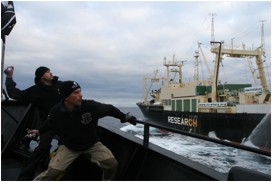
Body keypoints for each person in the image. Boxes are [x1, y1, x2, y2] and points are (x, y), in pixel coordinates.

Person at [32, 80, 137, 180]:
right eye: (76, 93)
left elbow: (110, 109)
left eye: (80, 91)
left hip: (91, 144)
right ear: (66, 97)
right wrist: (39, 131)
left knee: (111, 164)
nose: (81, 95)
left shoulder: (90, 106)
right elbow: (49, 124)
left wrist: (124, 117)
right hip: (69, 146)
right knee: (53, 172)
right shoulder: (56, 111)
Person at [5, 66, 63, 180]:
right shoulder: (35, 91)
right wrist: (9, 78)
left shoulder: (60, 85)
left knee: (69, 143)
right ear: (42, 77)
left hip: (65, 121)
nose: (51, 73)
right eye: (47, 72)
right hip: (48, 123)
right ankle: (25, 177)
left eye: (50, 71)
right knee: (42, 148)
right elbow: (14, 94)